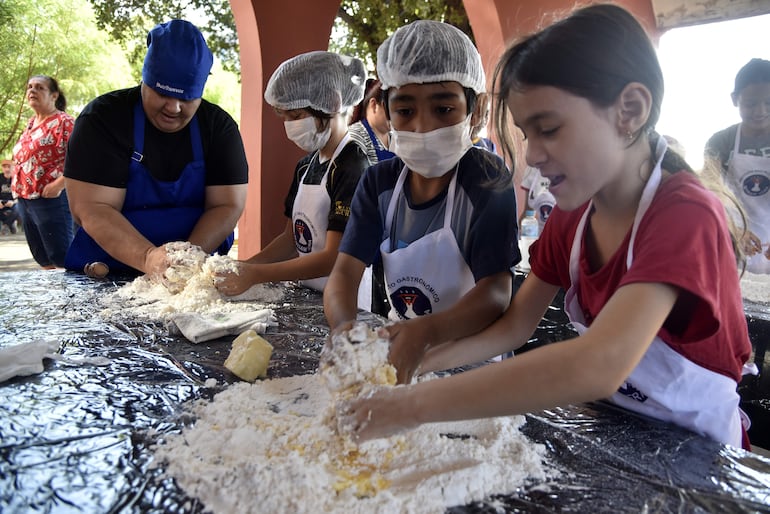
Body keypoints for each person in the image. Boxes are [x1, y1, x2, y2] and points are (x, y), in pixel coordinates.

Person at [337, 4, 754, 450]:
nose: (532, 155)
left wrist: (412, 405)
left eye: (549, 129)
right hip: (619, 432)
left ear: (629, 110)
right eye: (526, 133)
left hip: (702, 453)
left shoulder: (685, 215)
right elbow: (513, 328)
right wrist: (416, 363)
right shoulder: (573, 220)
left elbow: (600, 362)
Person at [323, 20, 520, 384]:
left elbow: (495, 292)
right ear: (385, 110)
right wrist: (343, 331)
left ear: (474, 111)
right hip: (402, 350)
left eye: (444, 110)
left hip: (475, 365)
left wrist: (428, 331)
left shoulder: (486, 181)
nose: (422, 127)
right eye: (405, 110)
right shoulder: (379, 183)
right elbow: (345, 273)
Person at [64, 20, 248, 278]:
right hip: (109, 268)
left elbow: (227, 205)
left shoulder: (218, 127)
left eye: (186, 98)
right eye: (162, 93)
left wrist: (186, 259)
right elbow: (92, 207)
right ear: (145, 80)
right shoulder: (103, 119)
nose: (173, 108)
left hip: (193, 271)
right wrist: (147, 257)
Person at [214, 51, 372, 306]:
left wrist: (257, 274)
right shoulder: (305, 166)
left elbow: (335, 256)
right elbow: (290, 239)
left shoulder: (353, 166)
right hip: (311, 296)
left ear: (331, 103)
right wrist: (244, 266)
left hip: (345, 302)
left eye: (296, 116)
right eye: (284, 118)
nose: (289, 126)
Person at [705, 58, 770, 274]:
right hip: (732, 237)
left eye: (769, 103)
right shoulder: (721, 141)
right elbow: (709, 191)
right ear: (735, 99)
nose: (760, 111)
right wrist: (735, 230)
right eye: (751, 103)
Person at [11, 75, 75, 268]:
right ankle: (54, 298)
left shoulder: (64, 122)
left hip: (51, 199)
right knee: (43, 258)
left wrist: (58, 185)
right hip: (25, 199)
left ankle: (71, 297)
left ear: (54, 95)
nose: (32, 91)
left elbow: (85, 158)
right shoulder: (31, 124)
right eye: (29, 87)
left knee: (62, 257)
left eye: (39, 88)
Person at [348, 78, 396, 164]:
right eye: (390, 108)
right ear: (374, 105)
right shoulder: (355, 137)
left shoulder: (395, 138)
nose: (395, 116)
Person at [0, 160, 20, 235]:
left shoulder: (17, 178)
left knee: (19, 207)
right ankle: (10, 224)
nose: (7, 169)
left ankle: (5, 225)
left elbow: (21, 194)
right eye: (4, 167)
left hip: (13, 203)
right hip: (1, 202)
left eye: (9, 167)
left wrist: (14, 202)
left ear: (13, 167)